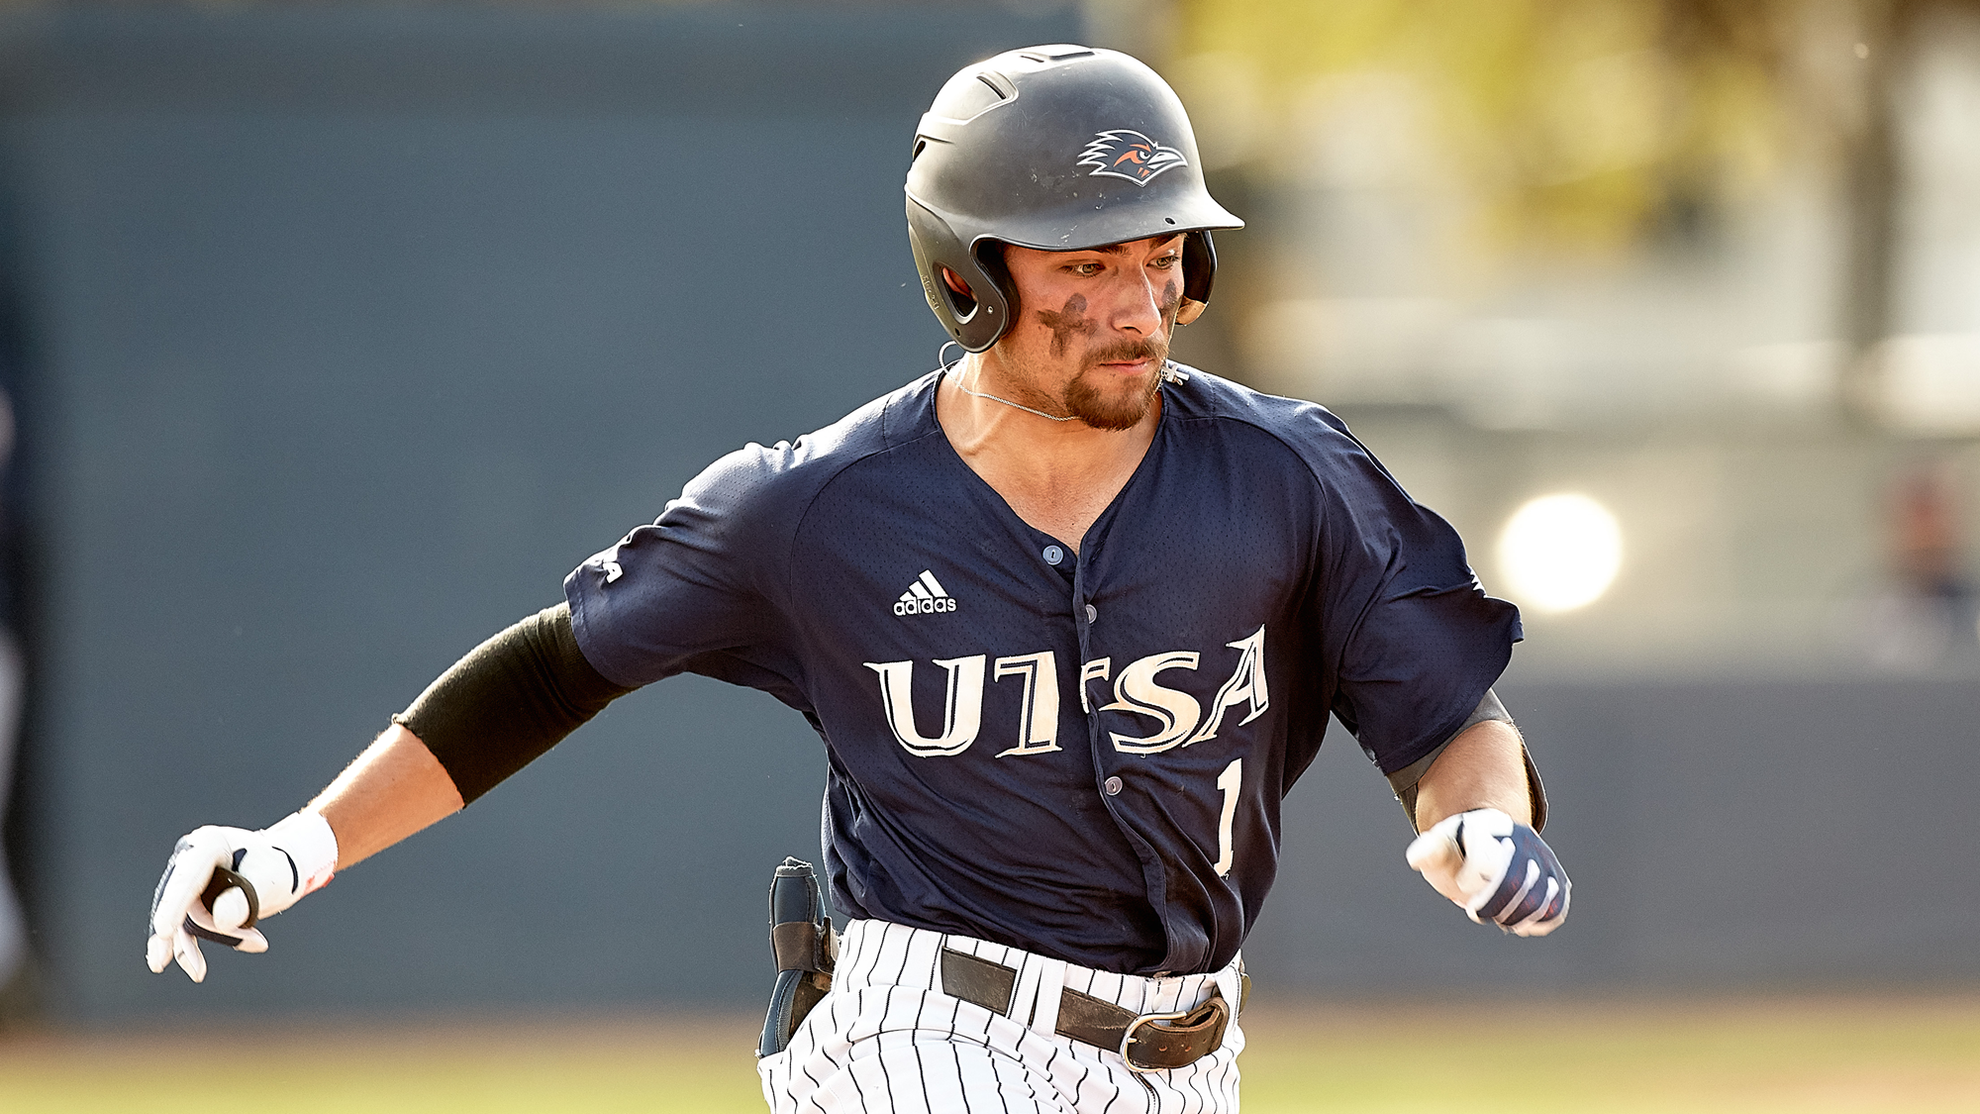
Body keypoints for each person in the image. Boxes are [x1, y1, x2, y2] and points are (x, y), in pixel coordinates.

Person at [146, 45, 1568, 1113]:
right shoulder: (816, 507)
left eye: (1160, 258)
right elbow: (554, 665)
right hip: (928, 1038)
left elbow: (1446, 719)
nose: (1138, 307)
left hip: (1192, 1055)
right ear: (969, 278)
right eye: (1085, 268)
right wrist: (293, 848)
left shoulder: (1284, 473)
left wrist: (1482, 826)